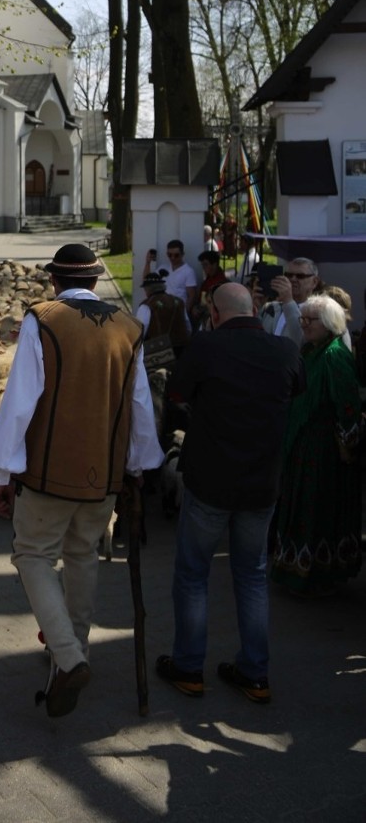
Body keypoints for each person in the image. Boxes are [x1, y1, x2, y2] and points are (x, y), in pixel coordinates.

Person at [0, 243, 163, 718]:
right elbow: (139, 405)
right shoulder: (129, 328)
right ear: (98, 280)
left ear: (55, 281)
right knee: (83, 555)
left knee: (32, 555)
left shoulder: (44, 318)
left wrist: (2, 472)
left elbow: (20, 401)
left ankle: (68, 654)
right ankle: (73, 652)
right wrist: (139, 466)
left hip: (47, 471)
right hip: (103, 473)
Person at [155, 283, 304, 705]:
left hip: (210, 482)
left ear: (216, 315)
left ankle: (188, 668)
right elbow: (295, 393)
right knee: (252, 576)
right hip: (262, 485)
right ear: (255, 309)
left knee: (193, 575)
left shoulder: (206, 347)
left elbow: (178, 395)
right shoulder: (286, 352)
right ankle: (255, 673)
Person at [270, 293, 362, 598]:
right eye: (303, 318)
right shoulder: (313, 351)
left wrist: (348, 446)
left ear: (328, 324)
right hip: (303, 445)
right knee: (300, 506)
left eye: (310, 320)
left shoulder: (335, 355)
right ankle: (298, 570)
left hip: (323, 453)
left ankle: (317, 573)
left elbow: (347, 405)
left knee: (317, 508)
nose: (304, 324)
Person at [261, 256, 320, 346]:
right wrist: (255, 307)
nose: (293, 279)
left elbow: (301, 341)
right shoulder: (271, 307)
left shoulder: (319, 312)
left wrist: (288, 301)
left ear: (314, 282)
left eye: (300, 276)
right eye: (288, 275)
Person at [136, 271, 191, 363]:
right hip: (182, 352)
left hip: (159, 353)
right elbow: (188, 327)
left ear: (147, 289)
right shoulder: (179, 301)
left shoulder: (147, 306)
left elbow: (139, 332)